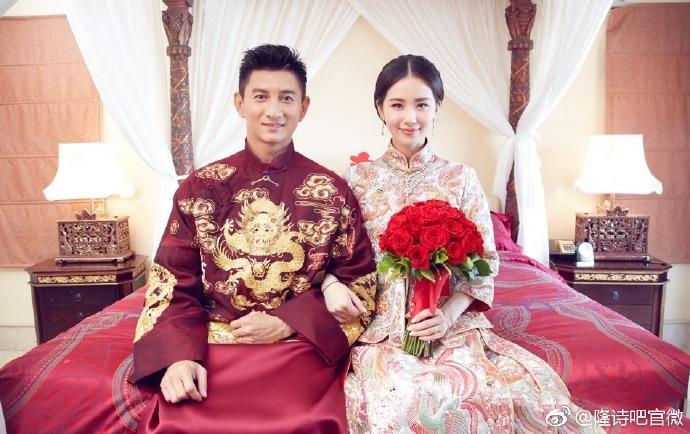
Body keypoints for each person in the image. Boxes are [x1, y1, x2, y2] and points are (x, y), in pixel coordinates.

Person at [322, 55, 601, 433]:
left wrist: (447, 315)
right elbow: (333, 256)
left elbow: (485, 260)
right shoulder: (357, 179)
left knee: (487, 392)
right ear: (380, 109)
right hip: (381, 325)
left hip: (450, 319)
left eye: (422, 104)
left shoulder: (460, 177)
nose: (410, 117)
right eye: (397, 105)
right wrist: (333, 286)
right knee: (397, 398)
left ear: (437, 107)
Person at [131, 44, 377, 434]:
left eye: (286, 98)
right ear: (240, 103)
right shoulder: (200, 188)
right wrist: (179, 357)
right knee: (183, 416)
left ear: (304, 107)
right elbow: (173, 281)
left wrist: (287, 322)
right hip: (212, 342)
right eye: (261, 96)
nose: (273, 110)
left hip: (296, 347)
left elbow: (359, 286)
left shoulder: (332, 191)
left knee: (304, 421)